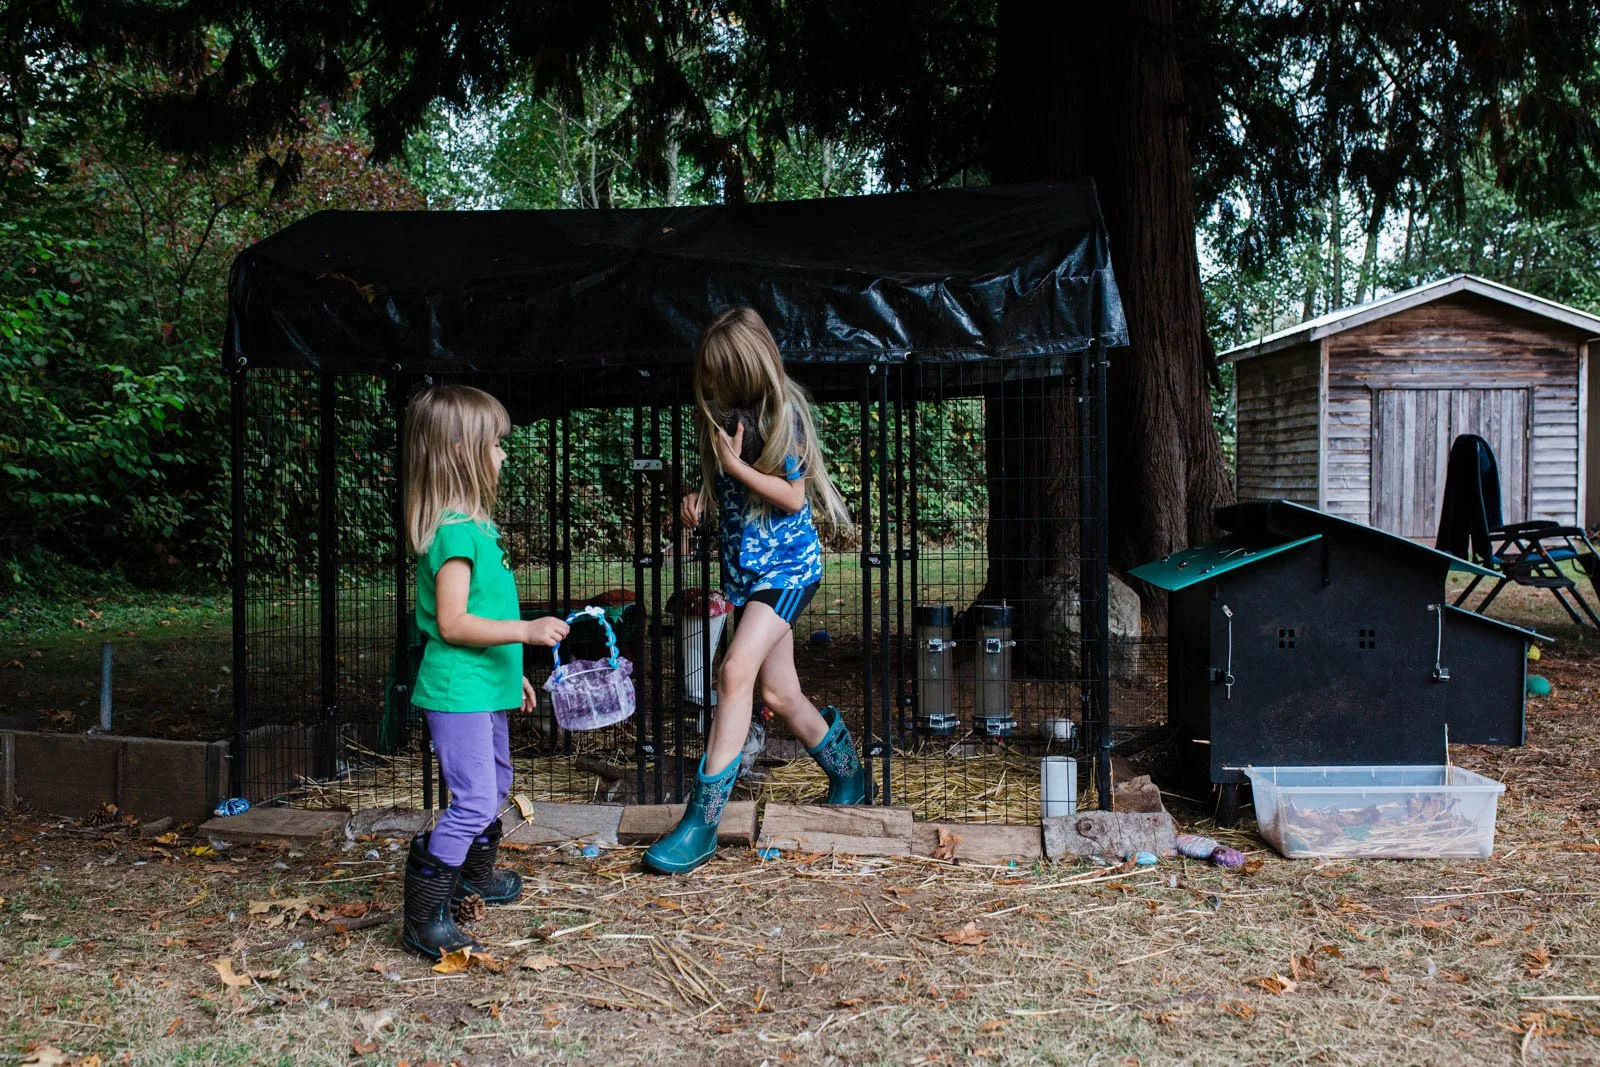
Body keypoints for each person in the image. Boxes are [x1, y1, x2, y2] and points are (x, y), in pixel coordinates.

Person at [644, 308, 868, 875]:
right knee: (777, 693)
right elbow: (721, 481)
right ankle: (849, 773)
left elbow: (793, 498)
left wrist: (734, 469)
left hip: (788, 572)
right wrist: (697, 499)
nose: (711, 388)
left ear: (746, 373)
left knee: (733, 673)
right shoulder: (722, 421)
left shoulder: (781, 417)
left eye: (720, 378)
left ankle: (701, 822)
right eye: (708, 378)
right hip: (746, 575)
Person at [400, 384, 569, 959]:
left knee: (494, 788)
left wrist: (509, 674)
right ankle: (424, 916)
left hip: (482, 687)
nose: (503, 455)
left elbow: (484, 618)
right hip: (456, 692)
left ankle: (473, 877)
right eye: (497, 444)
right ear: (463, 451)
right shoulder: (451, 535)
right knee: (473, 800)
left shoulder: (477, 530)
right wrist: (525, 633)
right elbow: (452, 623)